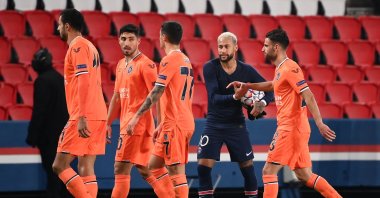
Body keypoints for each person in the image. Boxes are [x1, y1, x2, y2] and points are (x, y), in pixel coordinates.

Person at [227, 29, 341, 198]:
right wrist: (248, 85)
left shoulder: (290, 68)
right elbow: (273, 85)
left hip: (290, 128)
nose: (262, 49)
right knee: (305, 175)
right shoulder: (281, 69)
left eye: (266, 46)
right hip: (296, 128)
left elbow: (308, 95)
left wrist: (319, 123)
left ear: (276, 47)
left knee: (268, 170)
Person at [196, 32, 274, 198]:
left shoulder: (246, 70)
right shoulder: (210, 67)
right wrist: (235, 97)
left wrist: (261, 104)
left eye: (226, 46)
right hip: (214, 124)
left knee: (247, 168)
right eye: (220, 47)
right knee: (203, 167)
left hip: (236, 125)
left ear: (236, 47)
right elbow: (213, 98)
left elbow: (271, 90)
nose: (222, 50)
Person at [126, 21, 194, 198]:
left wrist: (136, 118)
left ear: (163, 37)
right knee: (153, 166)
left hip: (176, 123)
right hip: (179, 120)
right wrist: (160, 123)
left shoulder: (169, 59)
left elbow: (157, 92)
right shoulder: (186, 60)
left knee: (176, 171)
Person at [51, 8, 108, 198]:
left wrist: (82, 115)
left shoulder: (77, 47)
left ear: (67, 26)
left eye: (59, 25)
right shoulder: (90, 47)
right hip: (97, 114)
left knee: (59, 165)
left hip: (84, 115)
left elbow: (84, 81)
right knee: (85, 167)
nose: (58, 28)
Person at [107, 24, 168, 197]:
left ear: (138, 41)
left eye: (131, 39)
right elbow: (117, 97)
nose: (127, 43)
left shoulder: (146, 65)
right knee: (146, 169)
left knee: (120, 168)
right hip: (129, 124)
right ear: (119, 40)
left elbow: (158, 94)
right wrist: (108, 123)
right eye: (124, 39)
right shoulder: (120, 65)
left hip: (136, 126)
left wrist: (160, 122)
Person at [26, 48, 70, 198]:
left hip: (49, 137)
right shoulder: (58, 77)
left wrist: (32, 135)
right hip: (63, 135)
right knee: (63, 171)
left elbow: (40, 111)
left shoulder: (42, 81)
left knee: (52, 174)